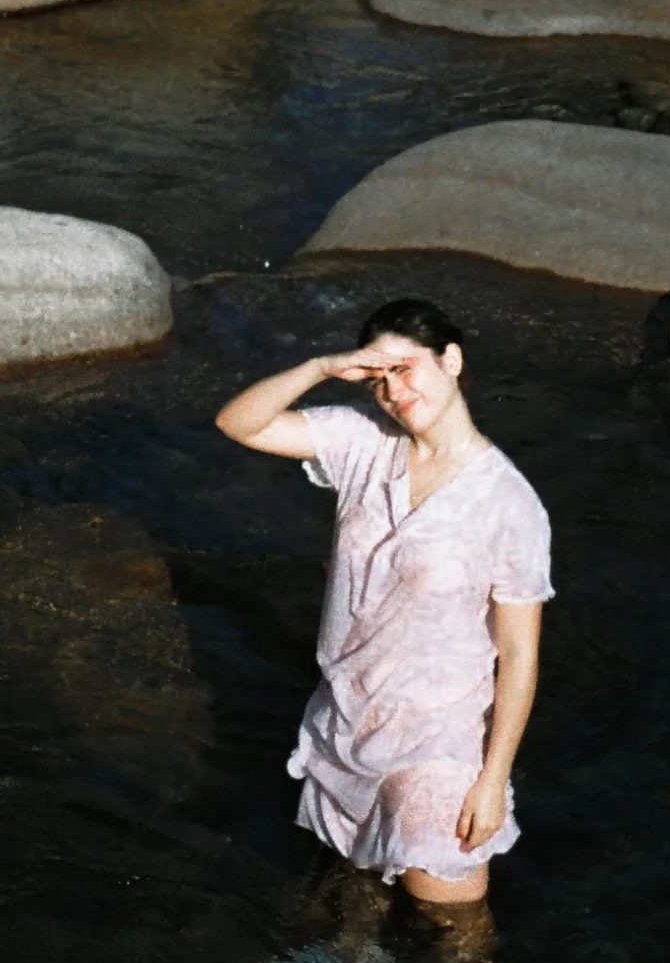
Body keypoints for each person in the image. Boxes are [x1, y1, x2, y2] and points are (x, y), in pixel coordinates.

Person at [215, 299, 551, 904]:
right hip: (343, 724)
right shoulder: (363, 441)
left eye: (405, 368)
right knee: (348, 914)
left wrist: (492, 779)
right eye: (378, 379)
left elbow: (520, 656)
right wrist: (321, 366)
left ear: (451, 361)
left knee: (449, 931)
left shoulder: (509, 505)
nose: (394, 392)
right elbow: (239, 424)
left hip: (436, 743)